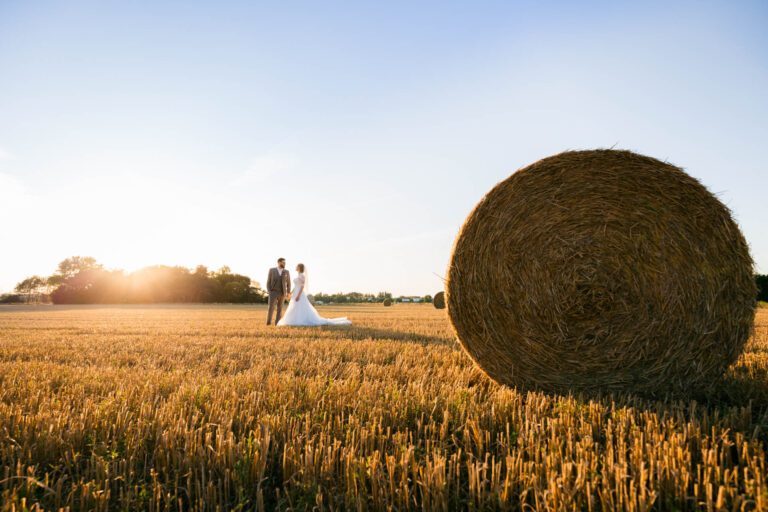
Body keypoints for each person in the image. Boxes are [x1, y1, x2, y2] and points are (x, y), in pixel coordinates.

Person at [277, 263, 352, 326]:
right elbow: (296, 286)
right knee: (294, 307)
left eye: (297, 266)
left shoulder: (302, 276)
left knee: (300, 307)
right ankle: (293, 320)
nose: (295, 267)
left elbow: (302, 287)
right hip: (295, 293)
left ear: (299, 268)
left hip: (299, 294)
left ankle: (300, 320)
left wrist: (298, 296)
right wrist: (291, 293)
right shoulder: (298, 276)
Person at [266, 257, 291, 325]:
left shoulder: (286, 272)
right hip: (273, 292)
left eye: (285, 262)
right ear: (279, 262)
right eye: (283, 262)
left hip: (282, 293)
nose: (284, 263)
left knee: (280, 309)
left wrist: (288, 292)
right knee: (271, 308)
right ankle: (268, 323)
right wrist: (269, 291)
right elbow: (268, 281)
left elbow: (289, 283)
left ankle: (277, 323)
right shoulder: (272, 270)